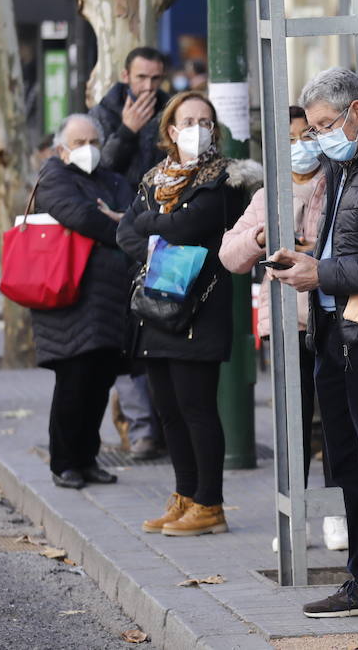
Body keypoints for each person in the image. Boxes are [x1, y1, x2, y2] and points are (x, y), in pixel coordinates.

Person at [271, 67, 358, 629]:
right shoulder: (345, 162)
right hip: (336, 333)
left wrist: (323, 272)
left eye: (325, 125)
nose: (317, 138)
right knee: (349, 466)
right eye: (312, 129)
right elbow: (346, 241)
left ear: (357, 113)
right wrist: (307, 257)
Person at [116, 91, 259, 536]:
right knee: (169, 409)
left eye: (205, 121)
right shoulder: (154, 177)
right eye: (188, 120)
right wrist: (164, 249)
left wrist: (152, 229)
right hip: (156, 308)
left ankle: (210, 504)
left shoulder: (223, 180)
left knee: (197, 406)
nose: (197, 128)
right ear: (172, 131)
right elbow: (125, 231)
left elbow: (189, 226)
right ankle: (185, 495)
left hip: (200, 308)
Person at [220, 105, 347, 551]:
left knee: (336, 420)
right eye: (291, 139)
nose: (301, 146)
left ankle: (336, 511)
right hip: (286, 324)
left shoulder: (339, 184)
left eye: (308, 135)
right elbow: (230, 255)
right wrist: (261, 239)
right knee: (292, 421)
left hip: (333, 317)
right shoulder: (266, 196)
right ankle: (292, 512)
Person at [29, 114, 133, 489]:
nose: (87, 150)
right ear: (61, 149)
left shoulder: (112, 179)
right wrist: (119, 227)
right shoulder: (54, 177)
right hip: (68, 297)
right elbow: (79, 216)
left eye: (93, 142)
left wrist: (119, 223)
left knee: (99, 382)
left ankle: (88, 458)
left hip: (109, 300)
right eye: (78, 143)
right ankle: (64, 462)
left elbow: (133, 212)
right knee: (73, 381)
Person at [90, 46, 169, 461]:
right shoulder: (105, 112)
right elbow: (101, 167)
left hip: (160, 233)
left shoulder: (171, 111)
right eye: (141, 78)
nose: (148, 87)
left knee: (160, 331)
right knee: (126, 341)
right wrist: (126, 131)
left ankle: (163, 429)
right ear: (126, 75)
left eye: (155, 79)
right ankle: (141, 430)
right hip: (118, 237)